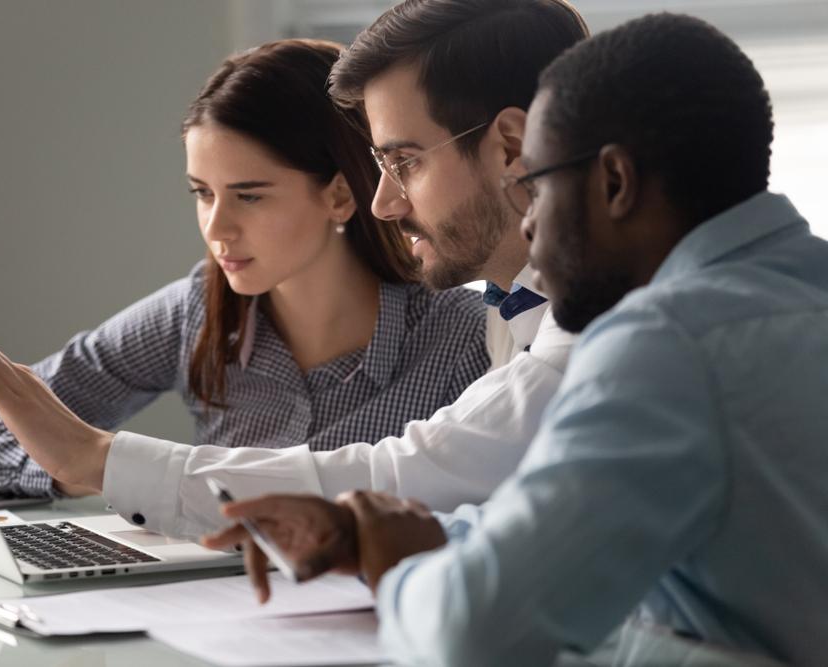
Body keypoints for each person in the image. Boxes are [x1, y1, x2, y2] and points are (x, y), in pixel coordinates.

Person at [204, 13, 828, 667]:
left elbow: (473, 631)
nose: (527, 220)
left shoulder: (666, 342)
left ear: (614, 183)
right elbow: (579, 533)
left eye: (538, 185)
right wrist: (383, 537)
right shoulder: (789, 299)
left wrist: (397, 573)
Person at [0, 0, 588, 539]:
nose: (216, 228)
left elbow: (407, 474)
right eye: (201, 193)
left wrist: (98, 459)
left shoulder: (518, 332)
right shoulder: (520, 315)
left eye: (405, 161)